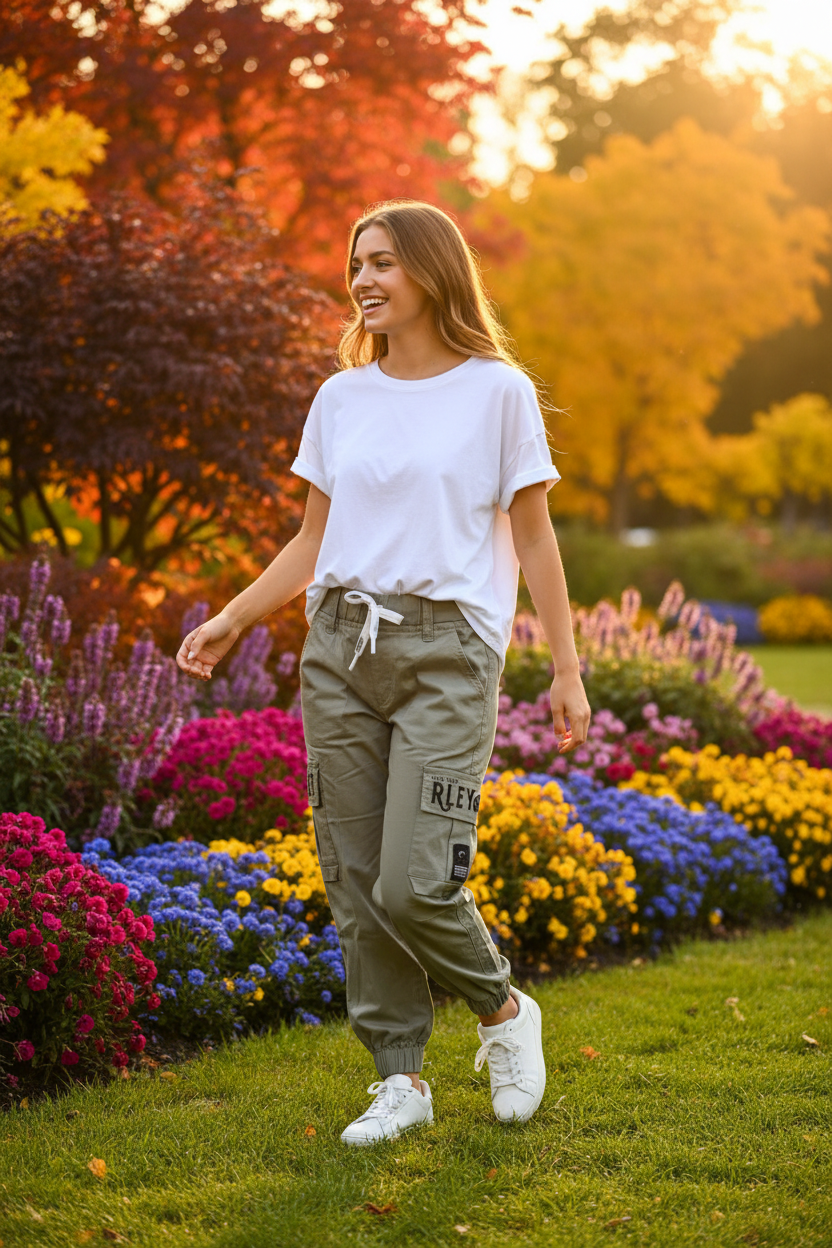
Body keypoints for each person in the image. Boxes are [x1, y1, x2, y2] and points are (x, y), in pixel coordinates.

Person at [176, 200, 591, 1144]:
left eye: (384, 263)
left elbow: (533, 536)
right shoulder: (342, 398)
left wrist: (566, 668)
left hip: (451, 652)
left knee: (415, 880)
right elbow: (314, 539)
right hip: (339, 648)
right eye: (356, 261)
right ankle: (400, 1079)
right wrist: (236, 618)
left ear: (434, 272)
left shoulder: (497, 392)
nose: (363, 279)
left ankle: (503, 1013)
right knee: (357, 878)